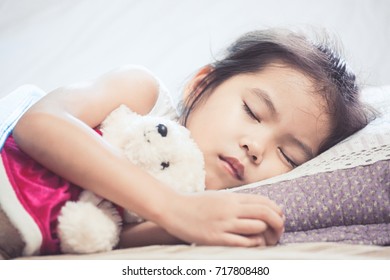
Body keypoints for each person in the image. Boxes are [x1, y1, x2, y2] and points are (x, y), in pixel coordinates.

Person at [0, 28, 371, 257]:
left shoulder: (197, 199)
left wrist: (186, 223)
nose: (255, 147)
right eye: (253, 111)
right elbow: (39, 123)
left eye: (288, 155)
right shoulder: (142, 96)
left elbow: (110, 235)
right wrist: (172, 207)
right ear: (200, 84)